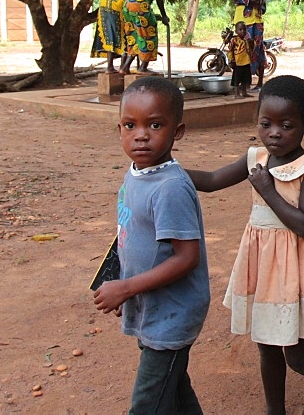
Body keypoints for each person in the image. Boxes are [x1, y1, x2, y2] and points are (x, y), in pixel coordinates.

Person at [186, 76, 304, 415]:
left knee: (299, 356)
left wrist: (268, 190)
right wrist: (163, 169)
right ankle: (275, 410)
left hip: (294, 269)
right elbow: (213, 181)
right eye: (266, 123)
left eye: (286, 125)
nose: (274, 132)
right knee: (266, 346)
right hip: (261, 265)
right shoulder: (256, 159)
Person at [92, 76, 209, 413]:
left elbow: (187, 257)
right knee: (173, 390)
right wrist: (117, 283)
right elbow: (131, 233)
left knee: (148, 404)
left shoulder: (170, 187)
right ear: (119, 129)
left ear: (178, 131)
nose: (141, 134)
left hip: (172, 312)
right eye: (130, 125)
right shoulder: (137, 172)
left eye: (155, 124)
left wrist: (127, 287)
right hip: (152, 307)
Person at [120, 0, 169, 74]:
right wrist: (164, 15)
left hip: (128, 3)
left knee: (134, 35)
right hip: (141, 2)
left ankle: (125, 67)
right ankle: (143, 68)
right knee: (148, 33)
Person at [90, 0, 141, 73]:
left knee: (110, 34)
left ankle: (110, 67)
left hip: (105, 2)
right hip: (119, 2)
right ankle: (124, 68)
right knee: (125, 34)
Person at [230, 0, 269, 91]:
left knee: (255, 50)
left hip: (253, 21)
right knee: (242, 52)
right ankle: (245, 83)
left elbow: (257, 0)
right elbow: (243, 0)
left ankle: (257, 83)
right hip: (243, 21)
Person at [229, 21, 254, 98]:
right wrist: (231, 60)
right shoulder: (234, 40)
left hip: (246, 62)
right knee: (237, 79)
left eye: (244, 29)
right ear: (236, 31)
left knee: (245, 79)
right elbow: (230, 50)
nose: (243, 31)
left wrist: (252, 43)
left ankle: (244, 92)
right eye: (240, 29)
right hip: (238, 63)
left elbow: (250, 50)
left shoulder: (247, 41)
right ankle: (236, 94)